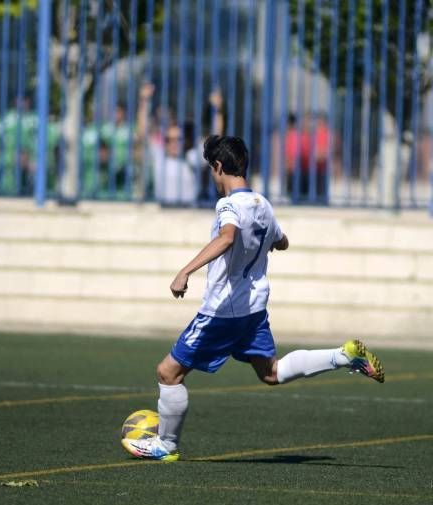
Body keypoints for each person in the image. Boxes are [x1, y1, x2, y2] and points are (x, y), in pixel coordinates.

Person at [122, 135, 384, 462]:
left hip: (223, 311)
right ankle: (343, 357)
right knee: (270, 373)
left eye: (211, 170)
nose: (213, 178)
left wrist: (185, 271)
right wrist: (263, 243)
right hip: (253, 309)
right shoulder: (263, 204)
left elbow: (228, 236)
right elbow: (282, 241)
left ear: (219, 167)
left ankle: (167, 445)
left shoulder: (228, 205)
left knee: (168, 373)